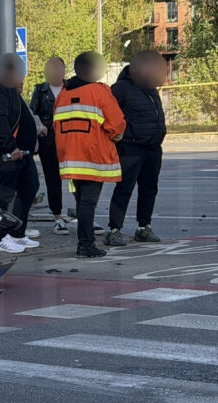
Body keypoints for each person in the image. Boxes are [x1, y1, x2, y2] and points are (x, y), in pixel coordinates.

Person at [54, 51, 126, 258]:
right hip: (93, 158)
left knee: (81, 202)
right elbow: (117, 124)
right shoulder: (99, 91)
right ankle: (85, 245)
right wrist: (116, 139)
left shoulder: (63, 95)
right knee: (88, 203)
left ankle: (85, 244)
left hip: (70, 159)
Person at [0, 52, 41, 254]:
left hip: (22, 153)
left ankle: (17, 233)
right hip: (4, 154)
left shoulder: (11, 90)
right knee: (4, 196)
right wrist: (10, 146)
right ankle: (0, 237)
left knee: (29, 188)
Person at [105, 50, 168, 245]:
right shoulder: (121, 88)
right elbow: (109, 114)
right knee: (124, 189)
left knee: (149, 189)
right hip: (131, 148)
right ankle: (114, 229)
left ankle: (143, 227)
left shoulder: (150, 88)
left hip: (153, 148)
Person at [29, 56, 74, 234]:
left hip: (71, 141)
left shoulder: (72, 87)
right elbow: (32, 113)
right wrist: (40, 127)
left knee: (77, 178)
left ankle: (86, 215)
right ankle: (58, 218)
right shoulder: (40, 90)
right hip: (48, 142)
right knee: (53, 179)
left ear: (64, 70)